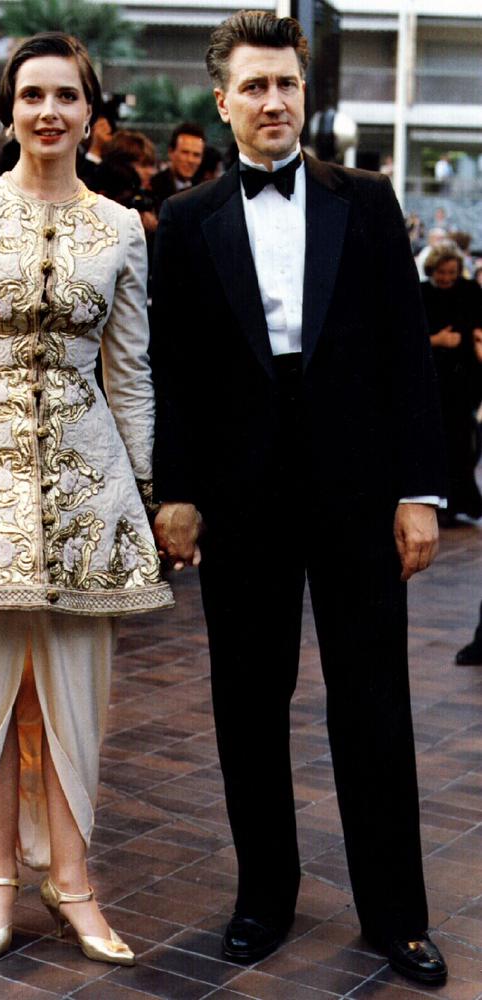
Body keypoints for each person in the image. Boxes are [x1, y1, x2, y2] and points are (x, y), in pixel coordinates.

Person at [150, 10, 448, 988]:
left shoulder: (363, 199)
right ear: (222, 99)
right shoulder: (189, 221)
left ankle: (395, 915)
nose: (272, 100)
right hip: (238, 500)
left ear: (302, 92)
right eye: (253, 85)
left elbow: (407, 357)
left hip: (358, 492)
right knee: (246, 701)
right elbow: (177, 370)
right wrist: (180, 492)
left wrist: (416, 490)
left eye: (285, 82)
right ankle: (261, 898)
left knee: (371, 702)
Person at [0, 30, 172, 970]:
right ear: (10, 108)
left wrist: (143, 493)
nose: (48, 112)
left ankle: (77, 880)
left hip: (90, 485)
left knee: (74, 694)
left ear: (90, 110)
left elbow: (130, 371)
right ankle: (0, 880)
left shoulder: (121, 227)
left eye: (66, 96)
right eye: (31, 96)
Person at [420, 246, 482, 522]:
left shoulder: (469, 290)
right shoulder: (422, 293)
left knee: (465, 440)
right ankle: (444, 505)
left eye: (452, 273)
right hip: (435, 379)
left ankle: (464, 500)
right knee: (442, 441)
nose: (447, 278)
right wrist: (437, 340)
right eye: (442, 273)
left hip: (465, 378)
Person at [150, 122, 205, 210]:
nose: (190, 160)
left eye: (196, 155)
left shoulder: (205, 190)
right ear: (171, 152)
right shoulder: (153, 186)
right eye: (185, 153)